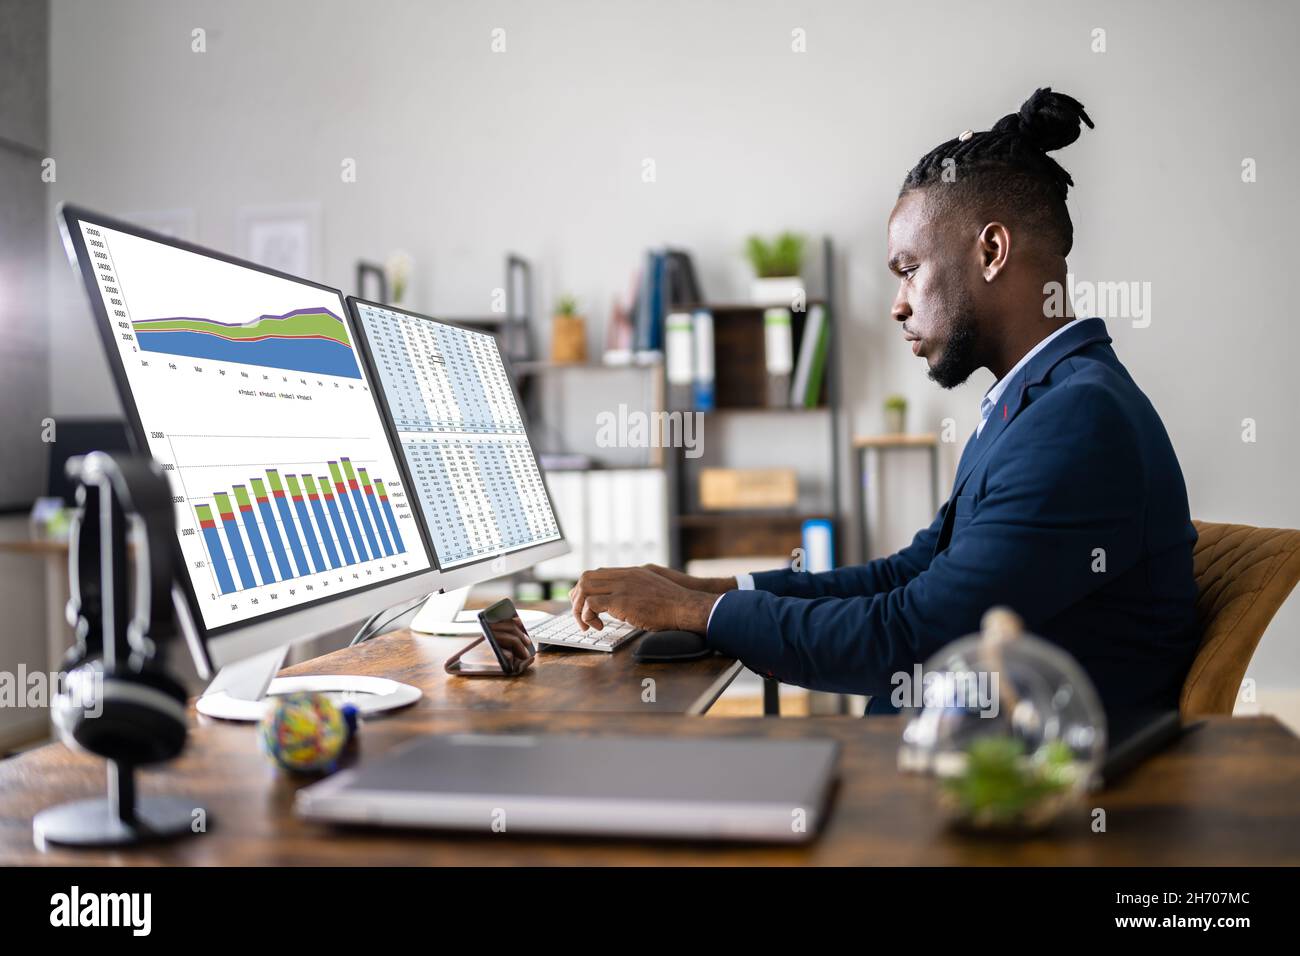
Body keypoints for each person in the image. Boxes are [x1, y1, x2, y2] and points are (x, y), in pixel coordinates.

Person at [569, 88, 1199, 721]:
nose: (897, 304)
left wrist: (692, 614)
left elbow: (913, 637)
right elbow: (910, 575)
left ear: (991, 252)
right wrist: (709, 589)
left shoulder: (1079, 419)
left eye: (908, 268)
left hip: (1024, 794)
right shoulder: (1037, 402)